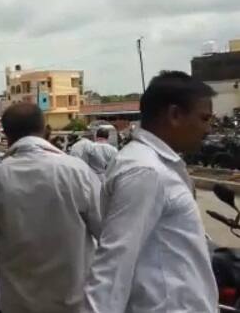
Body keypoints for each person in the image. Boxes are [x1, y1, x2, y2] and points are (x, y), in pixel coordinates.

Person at [84, 71, 218, 313]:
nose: (208, 129)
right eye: (204, 118)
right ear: (175, 115)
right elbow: (114, 264)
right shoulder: (146, 171)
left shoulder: (155, 165)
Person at [0, 103, 101, 313]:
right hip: (74, 303)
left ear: (6, 135)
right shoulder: (77, 171)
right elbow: (107, 231)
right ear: (44, 129)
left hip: (18, 304)